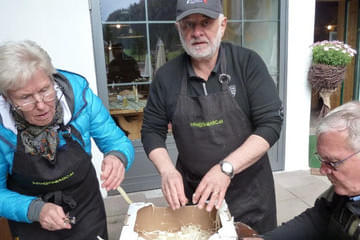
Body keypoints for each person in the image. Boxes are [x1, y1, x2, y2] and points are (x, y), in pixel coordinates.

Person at [141, 0, 283, 234]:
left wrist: (226, 168)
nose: (197, 32)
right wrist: (167, 170)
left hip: (251, 195)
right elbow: (151, 130)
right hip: (197, 195)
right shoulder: (166, 76)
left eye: (206, 23)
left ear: (222, 24)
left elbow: (270, 124)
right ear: (179, 29)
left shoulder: (247, 63)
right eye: (188, 25)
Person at [0, 40, 135, 240]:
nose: (41, 105)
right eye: (25, 97)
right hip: (30, 214)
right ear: (7, 97)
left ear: (51, 78)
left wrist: (118, 157)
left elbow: (117, 141)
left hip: (85, 205)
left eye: (45, 90)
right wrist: (34, 210)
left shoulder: (81, 98)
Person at [257, 101, 360, 240]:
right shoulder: (344, 190)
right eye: (322, 160)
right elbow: (318, 219)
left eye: (332, 162)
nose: (323, 170)